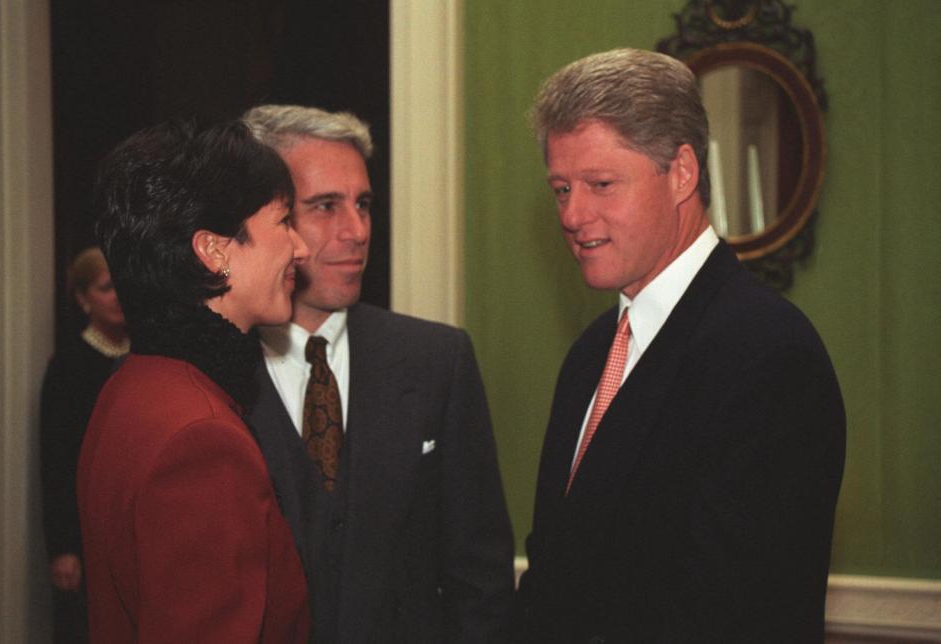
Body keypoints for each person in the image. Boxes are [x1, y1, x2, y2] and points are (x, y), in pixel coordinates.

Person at [514, 48, 846, 643]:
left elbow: (738, 609)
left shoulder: (768, 353)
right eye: (561, 188)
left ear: (683, 174)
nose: (572, 213)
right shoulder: (591, 354)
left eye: (601, 184)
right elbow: (556, 572)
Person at [242, 104, 514, 644]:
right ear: (265, 218)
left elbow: (479, 577)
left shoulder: (437, 360)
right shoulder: (211, 378)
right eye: (325, 206)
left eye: (363, 204)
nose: (357, 230)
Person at [77, 120, 311, 642]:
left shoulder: (134, 386)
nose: (301, 248)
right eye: (284, 221)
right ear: (214, 250)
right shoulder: (200, 439)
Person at [40, 246, 128, 643]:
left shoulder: (147, 356)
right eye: (107, 288)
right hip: (87, 534)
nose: (119, 297)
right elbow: (56, 460)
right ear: (82, 299)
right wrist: (63, 547)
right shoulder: (69, 365)